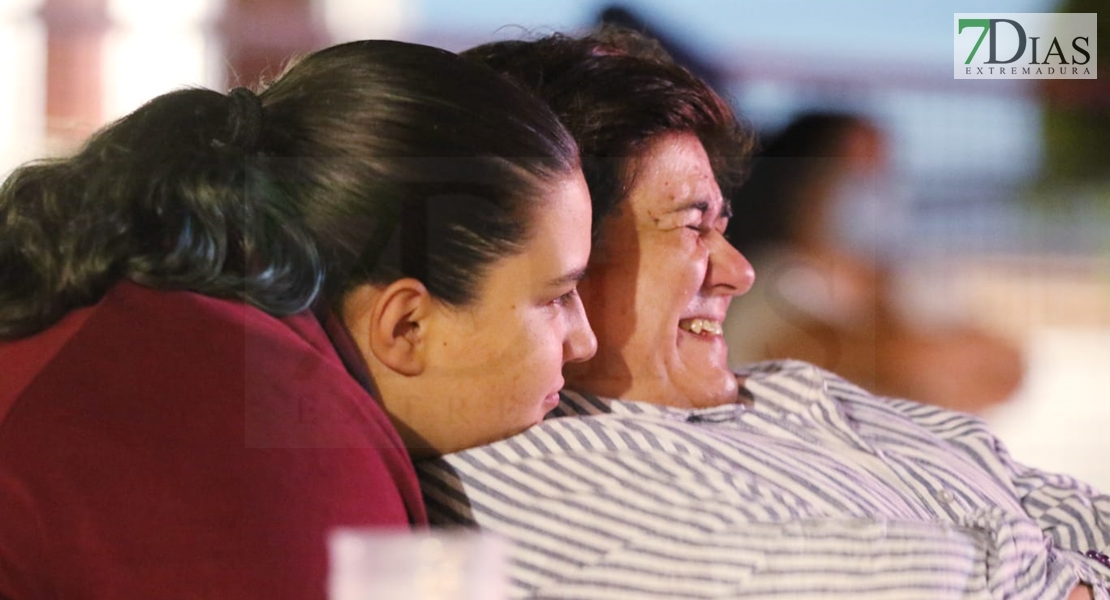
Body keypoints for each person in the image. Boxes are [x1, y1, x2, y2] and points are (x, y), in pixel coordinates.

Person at [418, 30, 1110, 599]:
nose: (736, 271)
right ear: (559, 248)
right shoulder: (561, 476)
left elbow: (1064, 504)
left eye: (723, 225)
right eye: (692, 228)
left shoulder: (783, 387)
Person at [0, 39, 595, 600]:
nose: (585, 342)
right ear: (406, 326)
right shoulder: (293, 464)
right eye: (556, 298)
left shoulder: (175, 317)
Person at [723, 112, 1025, 413]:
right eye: (860, 172)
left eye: (885, 172)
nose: (879, 189)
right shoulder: (765, 283)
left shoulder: (903, 286)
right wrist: (913, 356)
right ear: (804, 183)